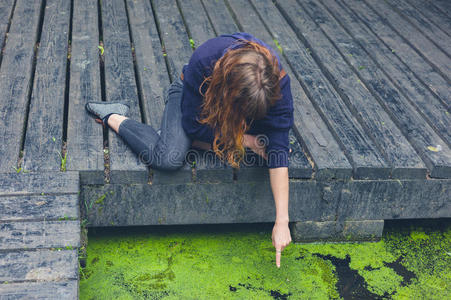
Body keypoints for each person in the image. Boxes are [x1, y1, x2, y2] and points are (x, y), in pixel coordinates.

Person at [85, 32, 294, 268]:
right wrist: (247, 141)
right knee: (169, 156)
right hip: (195, 102)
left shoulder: (276, 82)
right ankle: (113, 116)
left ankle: (174, 137)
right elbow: (194, 125)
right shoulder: (205, 59)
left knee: (268, 149)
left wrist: (282, 221)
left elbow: (279, 148)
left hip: (237, 113)